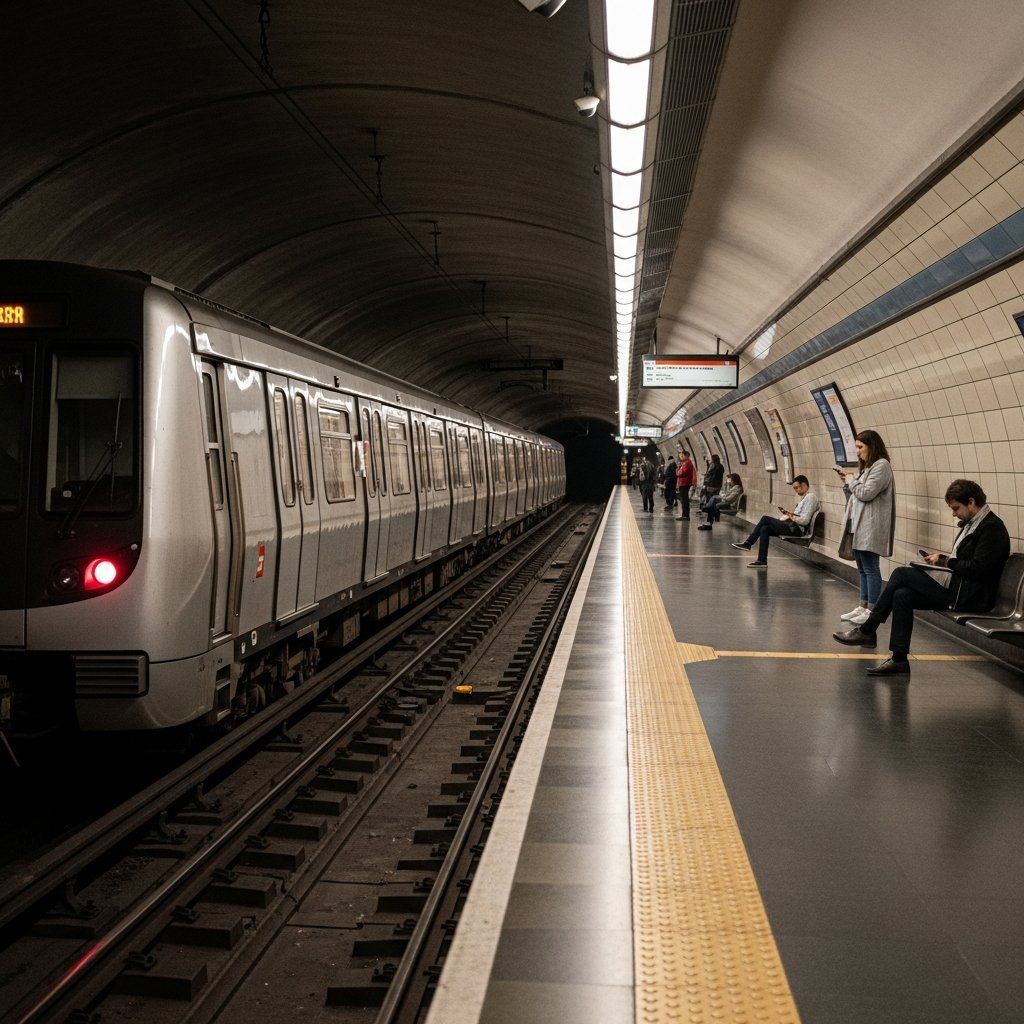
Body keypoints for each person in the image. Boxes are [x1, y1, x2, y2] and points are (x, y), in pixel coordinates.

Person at [834, 479, 1010, 676]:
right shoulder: (974, 524)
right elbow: (964, 560)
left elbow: (978, 569)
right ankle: (899, 660)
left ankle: (868, 630)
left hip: (970, 597)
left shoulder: (991, 528)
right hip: (959, 588)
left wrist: (946, 563)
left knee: (900, 574)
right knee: (902, 595)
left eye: (956, 508)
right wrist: (941, 558)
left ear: (971, 502)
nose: (954, 514)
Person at [835, 430, 895, 625]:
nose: (858, 452)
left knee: (870, 568)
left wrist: (852, 481)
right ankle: (862, 605)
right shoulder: (868, 468)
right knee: (862, 568)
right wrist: (848, 483)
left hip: (871, 525)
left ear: (872, 446)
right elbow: (856, 496)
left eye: (860, 447)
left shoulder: (882, 466)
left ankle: (872, 609)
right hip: (858, 523)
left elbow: (867, 493)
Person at [731, 475, 819, 567]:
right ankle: (762, 561)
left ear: (804, 485)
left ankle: (748, 543)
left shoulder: (811, 497)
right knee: (765, 529)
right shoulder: (804, 499)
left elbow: (804, 521)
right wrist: (787, 515)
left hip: (797, 530)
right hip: (792, 526)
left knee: (765, 518)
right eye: (794, 488)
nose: (796, 490)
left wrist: (790, 516)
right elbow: (798, 516)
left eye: (797, 487)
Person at [698, 454, 725, 522]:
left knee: (709, 501)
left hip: (710, 486)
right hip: (717, 486)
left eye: (710, 459)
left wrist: (705, 485)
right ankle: (715, 517)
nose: (709, 461)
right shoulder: (721, 466)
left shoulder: (712, 466)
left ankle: (709, 518)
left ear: (713, 459)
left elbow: (708, 476)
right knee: (714, 502)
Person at [675, 450, 696, 520]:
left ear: (686, 456)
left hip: (684, 483)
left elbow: (681, 473)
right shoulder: (685, 463)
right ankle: (684, 515)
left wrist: (678, 473)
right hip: (683, 483)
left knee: (684, 500)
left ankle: (686, 516)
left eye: (682, 456)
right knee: (683, 500)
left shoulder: (687, 463)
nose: (680, 457)